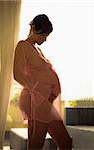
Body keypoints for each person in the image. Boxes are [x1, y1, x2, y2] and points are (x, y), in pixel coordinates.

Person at [13, 14, 72, 150]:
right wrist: (38, 89)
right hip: (36, 99)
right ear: (33, 28)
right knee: (37, 145)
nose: (45, 40)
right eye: (43, 35)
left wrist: (51, 91)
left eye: (47, 36)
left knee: (64, 143)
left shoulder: (37, 49)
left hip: (43, 100)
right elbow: (17, 74)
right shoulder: (23, 46)